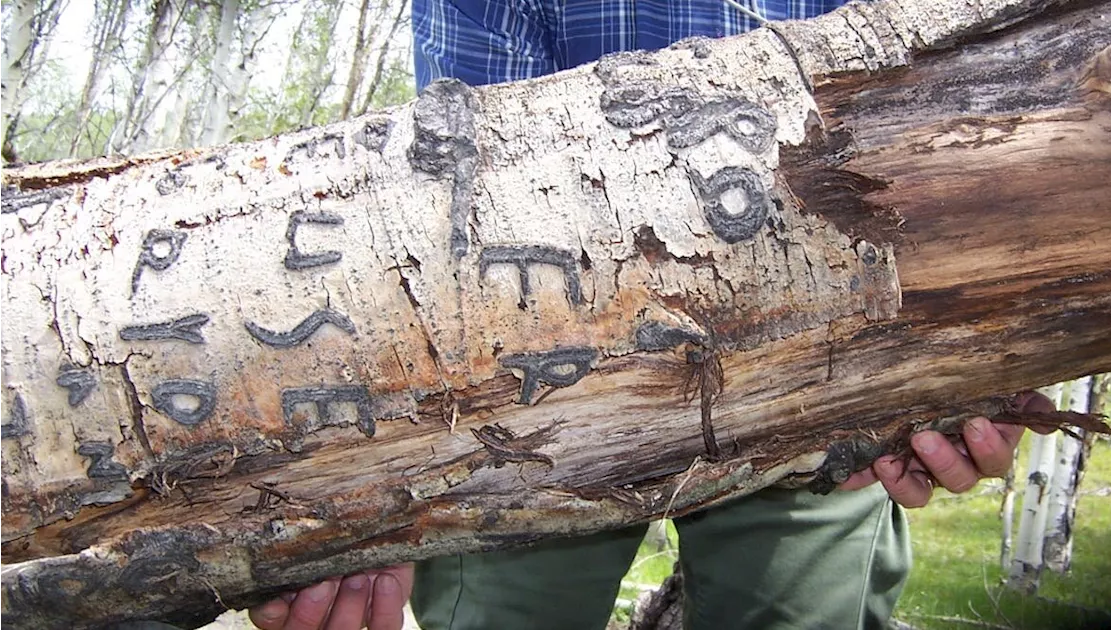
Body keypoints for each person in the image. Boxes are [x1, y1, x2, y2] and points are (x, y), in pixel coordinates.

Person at [249, 3, 1045, 629]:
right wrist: (379, 474)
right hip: (539, 402)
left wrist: (991, 338)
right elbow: (457, 204)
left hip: (819, 381)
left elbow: (938, 132)